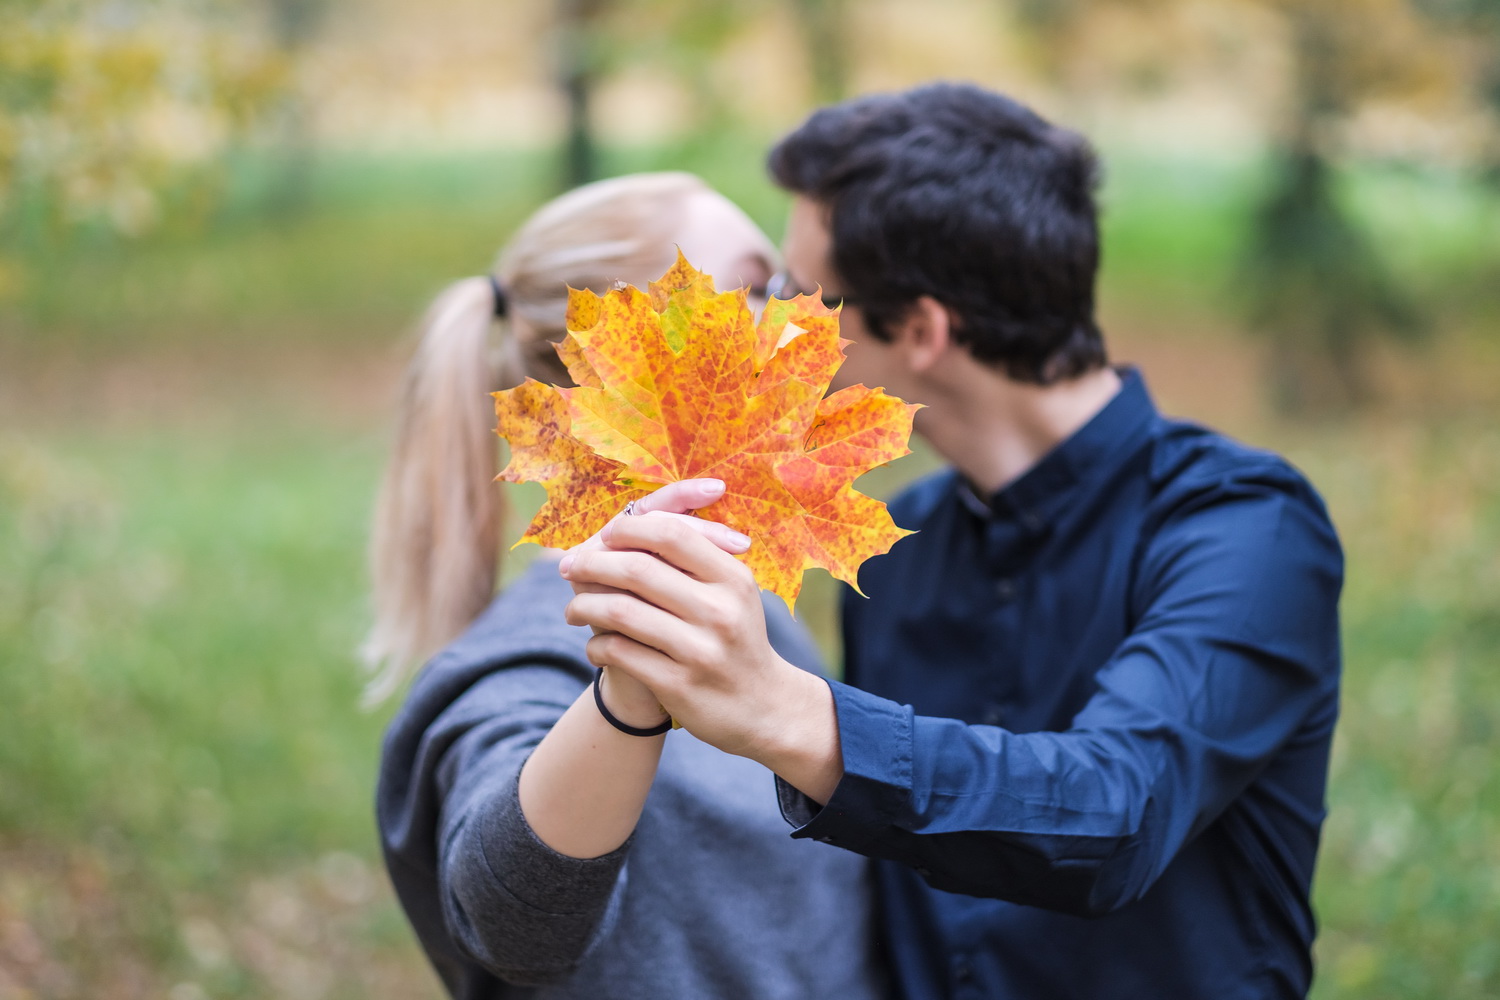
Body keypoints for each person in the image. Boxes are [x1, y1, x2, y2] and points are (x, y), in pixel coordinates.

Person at [561, 84, 1345, 998]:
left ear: (923, 331)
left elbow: (1114, 818)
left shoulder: (1246, 526)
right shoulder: (904, 553)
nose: (771, 327)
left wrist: (789, 713)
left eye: (796, 295)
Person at [367, 172, 888, 1000]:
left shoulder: (752, 614)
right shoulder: (527, 663)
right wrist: (631, 691)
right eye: (757, 287)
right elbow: (512, 927)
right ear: (615, 352)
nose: (798, 321)